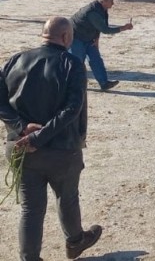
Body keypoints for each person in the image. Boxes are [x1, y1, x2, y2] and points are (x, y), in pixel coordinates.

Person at [0, 17, 103, 261]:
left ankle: (30, 258)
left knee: (31, 209)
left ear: (43, 34)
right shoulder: (73, 64)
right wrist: (39, 137)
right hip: (60, 150)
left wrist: (22, 127)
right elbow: (72, 109)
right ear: (67, 37)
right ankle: (76, 241)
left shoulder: (15, 60)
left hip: (20, 147)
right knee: (67, 198)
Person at [68, 0, 134, 91]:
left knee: (96, 60)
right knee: (77, 63)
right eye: (111, 1)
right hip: (75, 38)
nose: (113, 3)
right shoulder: (93, 12)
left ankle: (104, 83)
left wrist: (97, 39)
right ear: (104, 1)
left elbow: (98, 27)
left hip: (89, 38)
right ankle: (71, 85)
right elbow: (105, 29)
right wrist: (124, 28)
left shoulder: (102, 9)